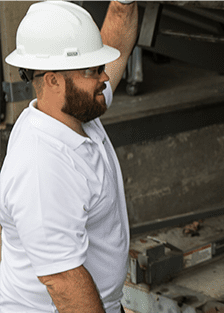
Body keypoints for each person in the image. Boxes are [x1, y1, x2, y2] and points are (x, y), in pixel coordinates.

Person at [0, 1, 138, 312]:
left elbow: (115, 47)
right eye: (93, 70)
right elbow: (62, 281)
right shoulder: (43, 167)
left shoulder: (76, 111)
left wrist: (123, 4)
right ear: (52, 80)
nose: (104, 77)